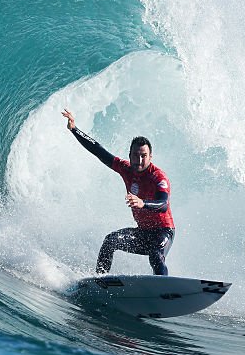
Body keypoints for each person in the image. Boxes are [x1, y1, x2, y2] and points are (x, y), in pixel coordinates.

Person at [62, 108, 175, 276]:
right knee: (110, 241)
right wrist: (74, 129)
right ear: (129, 155)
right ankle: (101, 282)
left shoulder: (158, 177)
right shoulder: (126, 169)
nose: (139, 159)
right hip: (144, 232)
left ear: (151, 156)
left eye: (144, 155)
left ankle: (164, 289)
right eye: (136, 155)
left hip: (163, 232)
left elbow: (163, 204)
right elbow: (98, 150)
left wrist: (143, 203)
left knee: (155, 256)